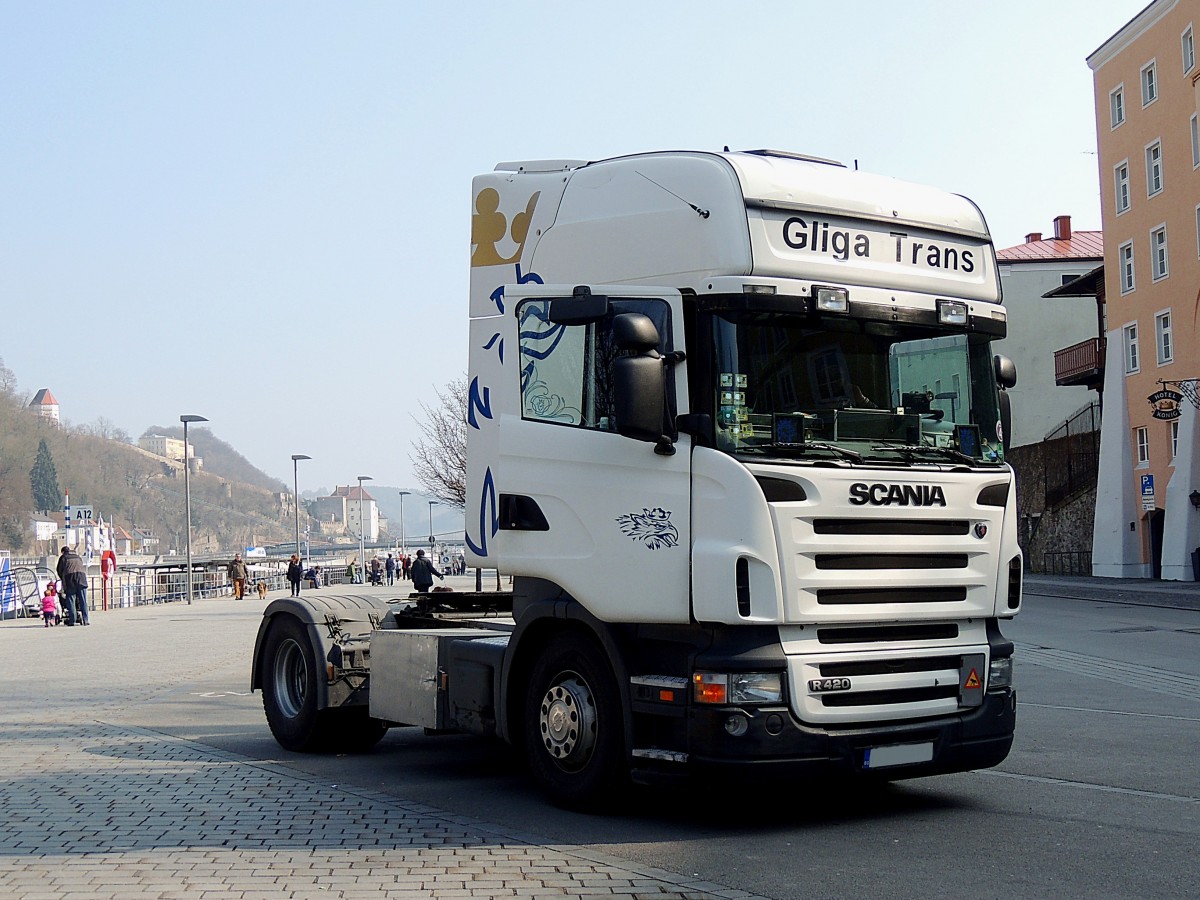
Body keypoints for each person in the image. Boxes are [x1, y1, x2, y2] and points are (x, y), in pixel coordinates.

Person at [56, 545, 90, 625]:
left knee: (71, 599)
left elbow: (59, 570)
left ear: (63, 552)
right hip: (81, 579)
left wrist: (62, 579)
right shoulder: (77, 557)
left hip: (70, 579)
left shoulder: (63, 557)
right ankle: (86, 620)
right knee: (83, 600)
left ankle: (72, 620)